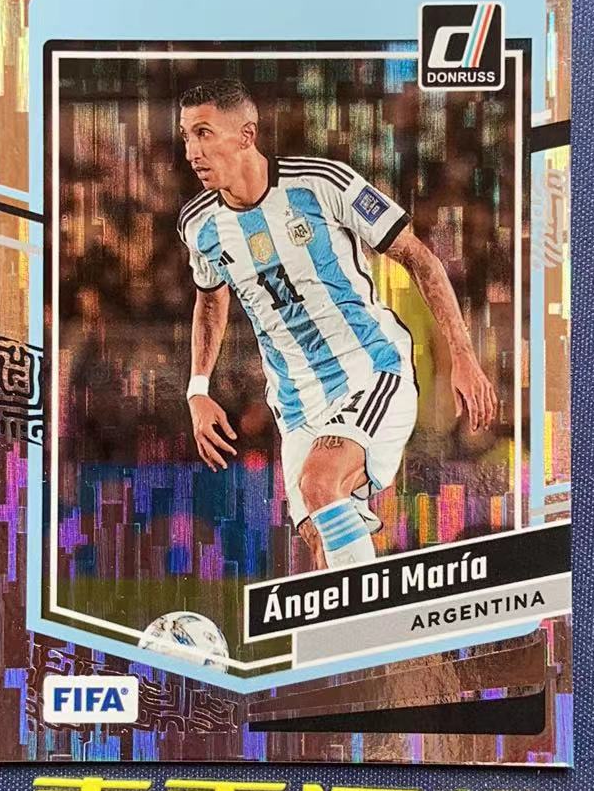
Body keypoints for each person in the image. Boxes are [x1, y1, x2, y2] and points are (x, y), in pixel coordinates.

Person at [176, 77, 496, 571]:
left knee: (320, 483)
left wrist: (463, 356)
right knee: (321, 542)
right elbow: (211, 299)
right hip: (295, 404)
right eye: (186, 137)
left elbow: (418, 257)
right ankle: (372, 616)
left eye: (204, 133)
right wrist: (198, 387)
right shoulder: (198, 224)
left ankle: (365, 616)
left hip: (370, 372)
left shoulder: (322, 183)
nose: (192, 151)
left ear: (246, 134)